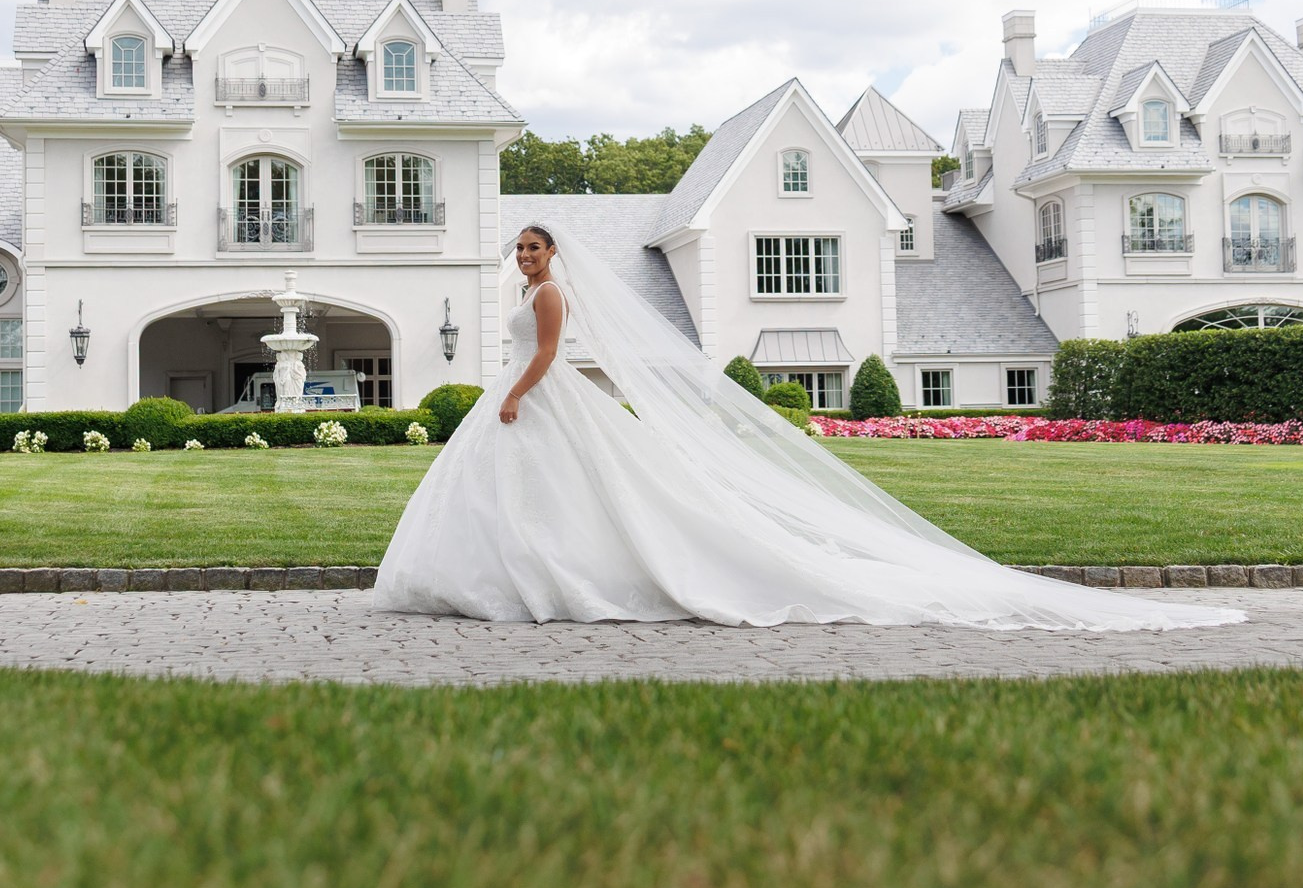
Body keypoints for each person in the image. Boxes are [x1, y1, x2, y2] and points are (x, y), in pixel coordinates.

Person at [374, 223, 1243, 630]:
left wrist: (518, 391)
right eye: (519, 251)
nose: (525, 260)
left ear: (553, 255)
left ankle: (550, 578)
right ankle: (507, 574)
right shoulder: (519, 291)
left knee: (576, 490)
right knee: (525, 495)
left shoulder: (553, 295)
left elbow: (553, 355)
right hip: (520, 400)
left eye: (534, 250)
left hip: (537, 396)